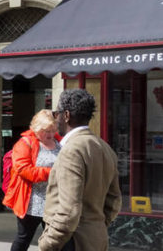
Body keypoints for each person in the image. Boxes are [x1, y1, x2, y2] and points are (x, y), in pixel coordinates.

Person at [38, 90, 121, 251]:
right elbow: (114, 201)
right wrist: (95, 225)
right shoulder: (104, 147)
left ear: (66, 115)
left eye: (57, 114)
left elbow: (68, 210)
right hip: (96, 238)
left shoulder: (72, 150)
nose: (56, 120)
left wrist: (48, 243)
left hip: (73, 241)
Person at [4, 110, 62, 251]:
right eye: (46, 131)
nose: (50, 134)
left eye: (53, 130)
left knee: (57, 239)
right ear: (36, 129)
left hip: (55, 201)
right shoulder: (24, 143)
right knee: (24, 238)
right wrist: (52, 173)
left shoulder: (59, 141)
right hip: (32, 202)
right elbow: (24, 170)